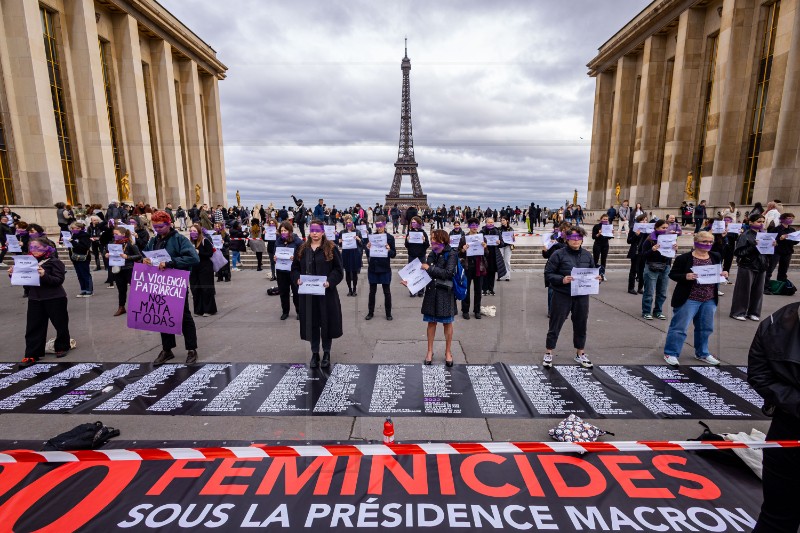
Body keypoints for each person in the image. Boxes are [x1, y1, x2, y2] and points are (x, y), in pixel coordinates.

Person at [747, 301, 800, 533]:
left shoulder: (774, 322)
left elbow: (761, 378)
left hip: (787, 424)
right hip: (787, 431)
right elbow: (760, 376)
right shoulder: (773, 324)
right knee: (777, 515)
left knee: (776, 517)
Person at [662, 231, 728, 366]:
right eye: (704, 241)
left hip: (709, 298)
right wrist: (686, 276)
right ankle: (671, 353)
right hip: (689, 298)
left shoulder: (715, 256)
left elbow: (717, 272)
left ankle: (702, 353)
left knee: (706, 328)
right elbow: (673, 274)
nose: (708, 244)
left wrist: (722, 274)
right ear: (696, 242)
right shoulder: (684, 258)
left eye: (710, 241)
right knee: (679, 327)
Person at [144, 211, 200, 365]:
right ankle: (167, 349)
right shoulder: (153, 240)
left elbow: (193, 258)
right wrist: (146, 260)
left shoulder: (180, 239)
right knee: (162, 316)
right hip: (159, 282)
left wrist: (170, 263)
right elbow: (148, 254)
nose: (157, 230)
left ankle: (191, 349)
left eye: (160, 226)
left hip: (176, 282)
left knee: (184, 317)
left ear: (169, 224)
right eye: (155, 227)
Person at [9, 237, 72, 367]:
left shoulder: (55, 262)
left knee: (60, 324)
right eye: (32, 248)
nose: (34, 250)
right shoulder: (26, 262)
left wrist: (44, 275)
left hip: (55, 297)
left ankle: (62, 346)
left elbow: (58, 281)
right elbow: (25, 283)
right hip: (35, 298)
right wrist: (13, 274)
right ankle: (32, 354)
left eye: (38, 248)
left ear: (47, 248)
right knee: (33, 326)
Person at [543, 226, 599, 369]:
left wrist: (598, 278)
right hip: (562, 294)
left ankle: (580, 353)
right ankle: (549, 352)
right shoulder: (558, 254)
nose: (576, 241)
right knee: (556, 323)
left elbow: (593, 271)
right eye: (573, 238)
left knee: (581, 324)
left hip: (581, 295)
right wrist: (562, 279)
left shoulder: (587, 255)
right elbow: (548, 274)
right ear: (567, 239)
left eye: (579, 238)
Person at [291, 220, 344, 369]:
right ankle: (315, 353)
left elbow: (338, 270)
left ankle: (326, 353)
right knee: (312, 324)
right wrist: (297, 279)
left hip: (326, 295)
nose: (314, 233)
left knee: (326, 324)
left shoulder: (331, 248)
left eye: (317, 230)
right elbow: (294, 269)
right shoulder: (302, 249)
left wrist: (330, 281)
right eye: (312, 230)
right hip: (308, 295)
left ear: (322, 232)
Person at [408, 229, 458, 366]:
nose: (432, 242)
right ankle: (429, 351)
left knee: (447, 323)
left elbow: (448, 273)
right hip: (431, 291)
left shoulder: (452, 254)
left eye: (434, 239)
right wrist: (410, 282)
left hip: (445, 292)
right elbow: (422, 272)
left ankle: (448, 352)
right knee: (431, 323)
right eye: (431, 240)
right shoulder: (432, 253)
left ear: (442, 240)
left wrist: (430, 268)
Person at [730, 214, 774, 321]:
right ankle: (738, 312)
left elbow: (767, 253)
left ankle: (753, 312)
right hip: (747, 265)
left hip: (761, 265)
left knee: (758, 291)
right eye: (759, 221)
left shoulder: (765, 235)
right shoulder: (745, 235)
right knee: (743, 290)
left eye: (763, 221)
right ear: (751, 222)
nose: (761, 224)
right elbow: (739, 252)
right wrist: (753, 246)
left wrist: (772, 246)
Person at [641, 219, 678, 320]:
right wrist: (652, 250)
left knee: (662, 292)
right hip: (651, 267)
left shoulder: (670, 239)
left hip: (665, 267)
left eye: (666, 228)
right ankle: (646, 311)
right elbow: (643, 255)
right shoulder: (649, 240)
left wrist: (675, 248)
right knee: (649, 291)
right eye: (663, 228)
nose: (665, 229)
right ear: (656, 228)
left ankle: (658, 310)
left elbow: (671, 254)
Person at [105, 227, 141, 316]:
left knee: (134, 289)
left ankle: (137, 307)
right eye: (114, 234)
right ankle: (121, 307)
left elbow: (139, 256)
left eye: (116, 234)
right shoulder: (113, 244)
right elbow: (105, 252)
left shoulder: (130, 244)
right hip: (118, 269)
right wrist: (106, 254)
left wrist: (127, 257)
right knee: (121, 290)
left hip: (129, 269)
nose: (115, 236)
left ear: (123, 234)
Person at [365, 216, 396, 320]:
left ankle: (388, 313)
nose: (379, 228)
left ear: (384, 225)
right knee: (372, 292)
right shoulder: (372, 237)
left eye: (380, 225)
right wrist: (367, 248)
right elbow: (368, 254)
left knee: (386, 292)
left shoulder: (390, 238)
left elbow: (393, 254)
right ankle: (370, 312)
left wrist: (388, 249)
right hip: (373, 267)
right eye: (377, 225)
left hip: (385, 268)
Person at [458, 217, 488, 320]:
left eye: (476, 225)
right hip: (467, 266)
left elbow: (487, 254)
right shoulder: (463, 239)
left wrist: (485, 247)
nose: (474, 227)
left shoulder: (482, 238)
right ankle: (465, 310)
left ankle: (477, 310)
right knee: (466, 289)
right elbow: (459, 254)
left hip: (479, 266)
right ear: (469, 227)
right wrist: (463, 249)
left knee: (478, 290)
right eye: (472, 225)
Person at [275, 221, 303, 320]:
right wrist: (275, 258)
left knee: (296, 292)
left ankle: (299, 311)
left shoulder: (297, 241)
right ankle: (285, 311)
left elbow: (302, 254)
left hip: (294, 271)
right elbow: (276, 252)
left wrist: (295, 257)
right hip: (281, 271)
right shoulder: (278, 241)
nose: (283, 232)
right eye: (281, 230)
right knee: (283, 292)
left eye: (285, 230)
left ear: (290, 231)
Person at [188, 224, 217, 317]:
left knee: (206, 288)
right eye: (191, 231)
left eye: (194, 231)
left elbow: (210, 253)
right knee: (195, 289)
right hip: (194, 268)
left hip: (205, 268)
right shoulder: (190, 243)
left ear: (199, 232)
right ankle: (198, 310)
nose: (193, 233)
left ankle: (209, 309)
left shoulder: (205, 241)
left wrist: (199, 252)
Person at [764, 213, 796, 293]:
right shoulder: (776, 229)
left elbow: (794, 242)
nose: (790, 220)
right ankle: (765, 287)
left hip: (787, 251)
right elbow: (770, 240)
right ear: (782, 219)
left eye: (792, 218)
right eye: (789, 218)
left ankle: (780, 286)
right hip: (776, 251)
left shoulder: (792, 230)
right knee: (770, 269)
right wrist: (779, 239)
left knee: (783, 270)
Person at [337, 215, 364, 297]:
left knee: (355, 272)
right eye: (347, 222)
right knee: (347, 272)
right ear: (345, 223)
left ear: (352, 222)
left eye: (350, 222)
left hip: (355, 254)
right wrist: (340, 241)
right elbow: (340, 245)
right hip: (346, 253)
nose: (348, 224)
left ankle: (355, 289)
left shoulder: (357, 232)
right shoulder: (342, 232)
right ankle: (350, 289)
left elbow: (362, 243)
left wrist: (358, 239)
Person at [404, 216, 429, 297]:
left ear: (418, 223)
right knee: (411, 274)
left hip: (421, 255)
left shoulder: (423, 232)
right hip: (412, 255)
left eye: (414, 222)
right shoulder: (409, 232)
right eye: (412, 222)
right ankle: (413, 290)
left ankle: (421, 291)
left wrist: (424, 240)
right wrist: (407, 240)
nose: (412, 224)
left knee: (421, 273)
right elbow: (406, 245)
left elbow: (427, 245)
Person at [69, 221, 93, 297]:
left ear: (79, 228)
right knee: (79, 274)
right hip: (75, 257)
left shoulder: (85, 235)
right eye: (72, 228)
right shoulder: (73, 235)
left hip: (83, 257)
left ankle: (89, 290)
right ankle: (83, 290)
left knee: (85, 274)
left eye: (74, 228)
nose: (72, 230)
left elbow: (84, 247)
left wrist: (73, 242)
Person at [627, 214, 648, 294]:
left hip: (644, 252)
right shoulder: (633, 229)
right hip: (636, 252)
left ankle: (640, 288)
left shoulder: (648, 230)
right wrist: (636, 235)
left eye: (646, 220)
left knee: (642, 270)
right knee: (634, 270)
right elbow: (629, 241)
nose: (644, 222)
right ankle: (631, 288)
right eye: (642, 220)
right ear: (638, 221)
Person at [481, 217, 502, 294]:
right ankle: (484, 289)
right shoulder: (482, 231)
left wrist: (499, 242)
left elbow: (502, 243)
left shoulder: (497, 231)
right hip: (485, 254)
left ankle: (491, 288)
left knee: (492, 272)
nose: (490, 224)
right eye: (489, 222)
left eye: (492, 222)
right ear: (486, 223)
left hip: (493, 254)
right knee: (484, 272)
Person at [591, 214, 613, 281]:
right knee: (596, 259)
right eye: (604, 219)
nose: (605, 220)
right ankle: (594, 274)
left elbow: (609, 238)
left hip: (605, 245)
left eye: (606, 219)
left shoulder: (609, 226)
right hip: (597, 244)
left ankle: (602, 274)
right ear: (601, 219)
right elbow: (593, 237)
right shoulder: (596, 226)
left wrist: (611, 233)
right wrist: (598, 234)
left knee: (604, 260)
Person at [498, 216, 514, 281]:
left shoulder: (510, 229)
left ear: (507, 221)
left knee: (507, 261)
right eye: (501, 220)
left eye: (504, 220)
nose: (502, 221)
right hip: (501, 246)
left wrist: (512, 238)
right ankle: (500, 275)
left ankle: (507, 275)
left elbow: (513, 238)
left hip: (508, 246)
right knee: (500, 261)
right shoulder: (499, 229)